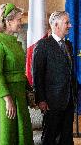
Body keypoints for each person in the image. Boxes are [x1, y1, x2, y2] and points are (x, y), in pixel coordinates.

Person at [0, 3, 33, 145]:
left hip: (18, 94)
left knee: (21, 133)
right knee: (6, 134)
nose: (21, 23)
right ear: (8, 21)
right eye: (18, 19)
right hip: (4, 97)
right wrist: (8, 100)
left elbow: (19, 71)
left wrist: (29, 89)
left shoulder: (16, 43)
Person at [32, 11, 75, 145]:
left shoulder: (68, 45)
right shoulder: (43, 45)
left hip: (68, 100)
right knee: (50, 138)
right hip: (51, 102)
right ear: (56, 25)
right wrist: (41, 99)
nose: (70, 25)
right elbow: (37, 75)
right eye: (67, 23)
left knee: (66, 138)